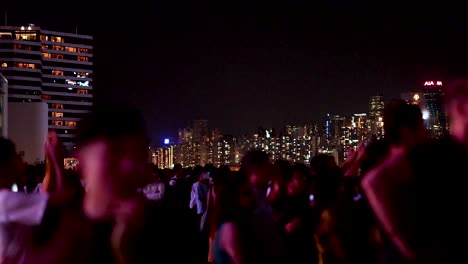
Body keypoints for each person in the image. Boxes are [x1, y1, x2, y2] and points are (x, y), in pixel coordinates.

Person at [361, 80, 468, 263]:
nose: (425, 132)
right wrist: (400, 241)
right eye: (421, 127)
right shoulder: (428, 154)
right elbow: (373, 181)